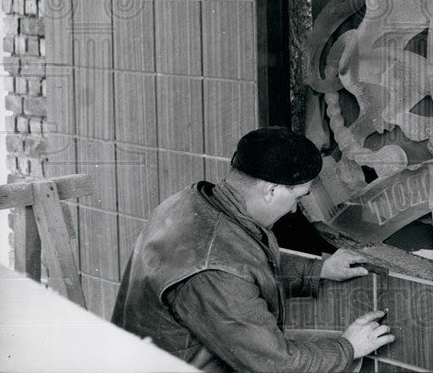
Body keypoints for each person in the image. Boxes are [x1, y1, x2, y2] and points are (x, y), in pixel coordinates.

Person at [112, 127, 394, 372]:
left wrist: (319, 269)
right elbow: (278, 366)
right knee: (343, 362)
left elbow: (241, 264)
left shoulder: (192, 203)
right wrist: (348, 347)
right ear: (271, 191)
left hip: (167, 356)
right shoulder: (216, 269)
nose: (295, 208)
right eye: (297, 196)